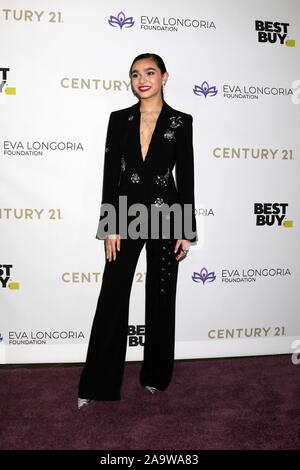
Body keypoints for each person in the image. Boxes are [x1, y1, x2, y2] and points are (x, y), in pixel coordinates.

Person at [78, 53, 197, 408]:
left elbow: (186, 175)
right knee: (113, 295)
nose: (141, 79)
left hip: (166, 214)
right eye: (135, 74)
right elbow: (109, 175)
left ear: (164, 76)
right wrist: (109, 225)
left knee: (161, 297)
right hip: (126, 215)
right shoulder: (120, 120)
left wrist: (186, 229)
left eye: (149, 72)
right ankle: (97, 383)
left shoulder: (181, 121)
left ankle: (155, 377)